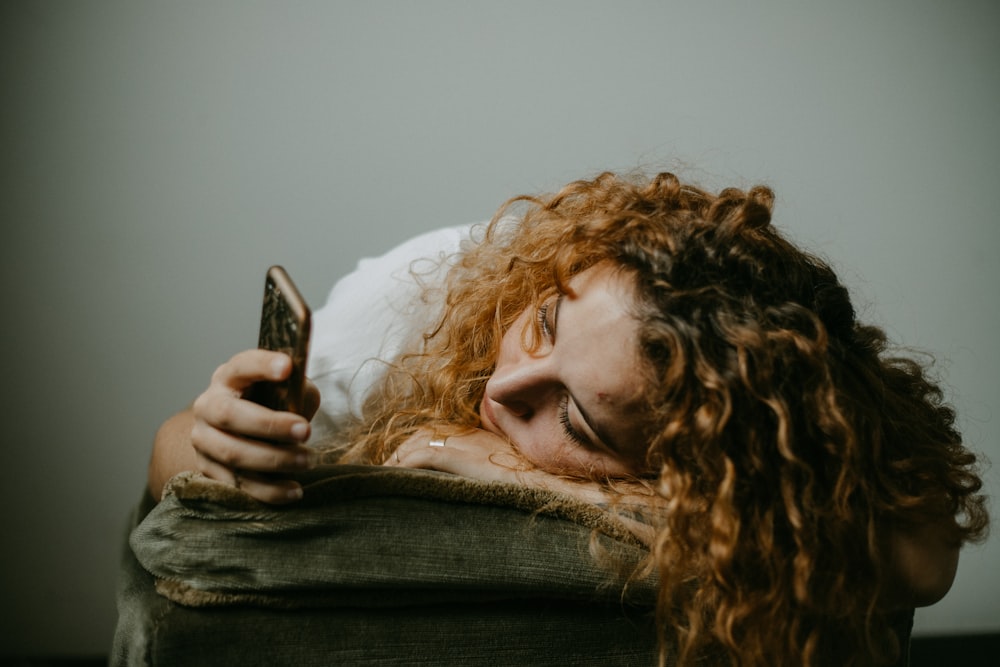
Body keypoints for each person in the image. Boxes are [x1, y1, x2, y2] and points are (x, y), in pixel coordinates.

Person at [148, 171, 988, 667]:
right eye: (543, 326)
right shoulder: (412, 298)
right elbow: (166, 462)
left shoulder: (746, 417)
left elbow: (920, 556)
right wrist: (220, 432)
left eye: (579, 422)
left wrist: (511, 473)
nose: (508, 387)